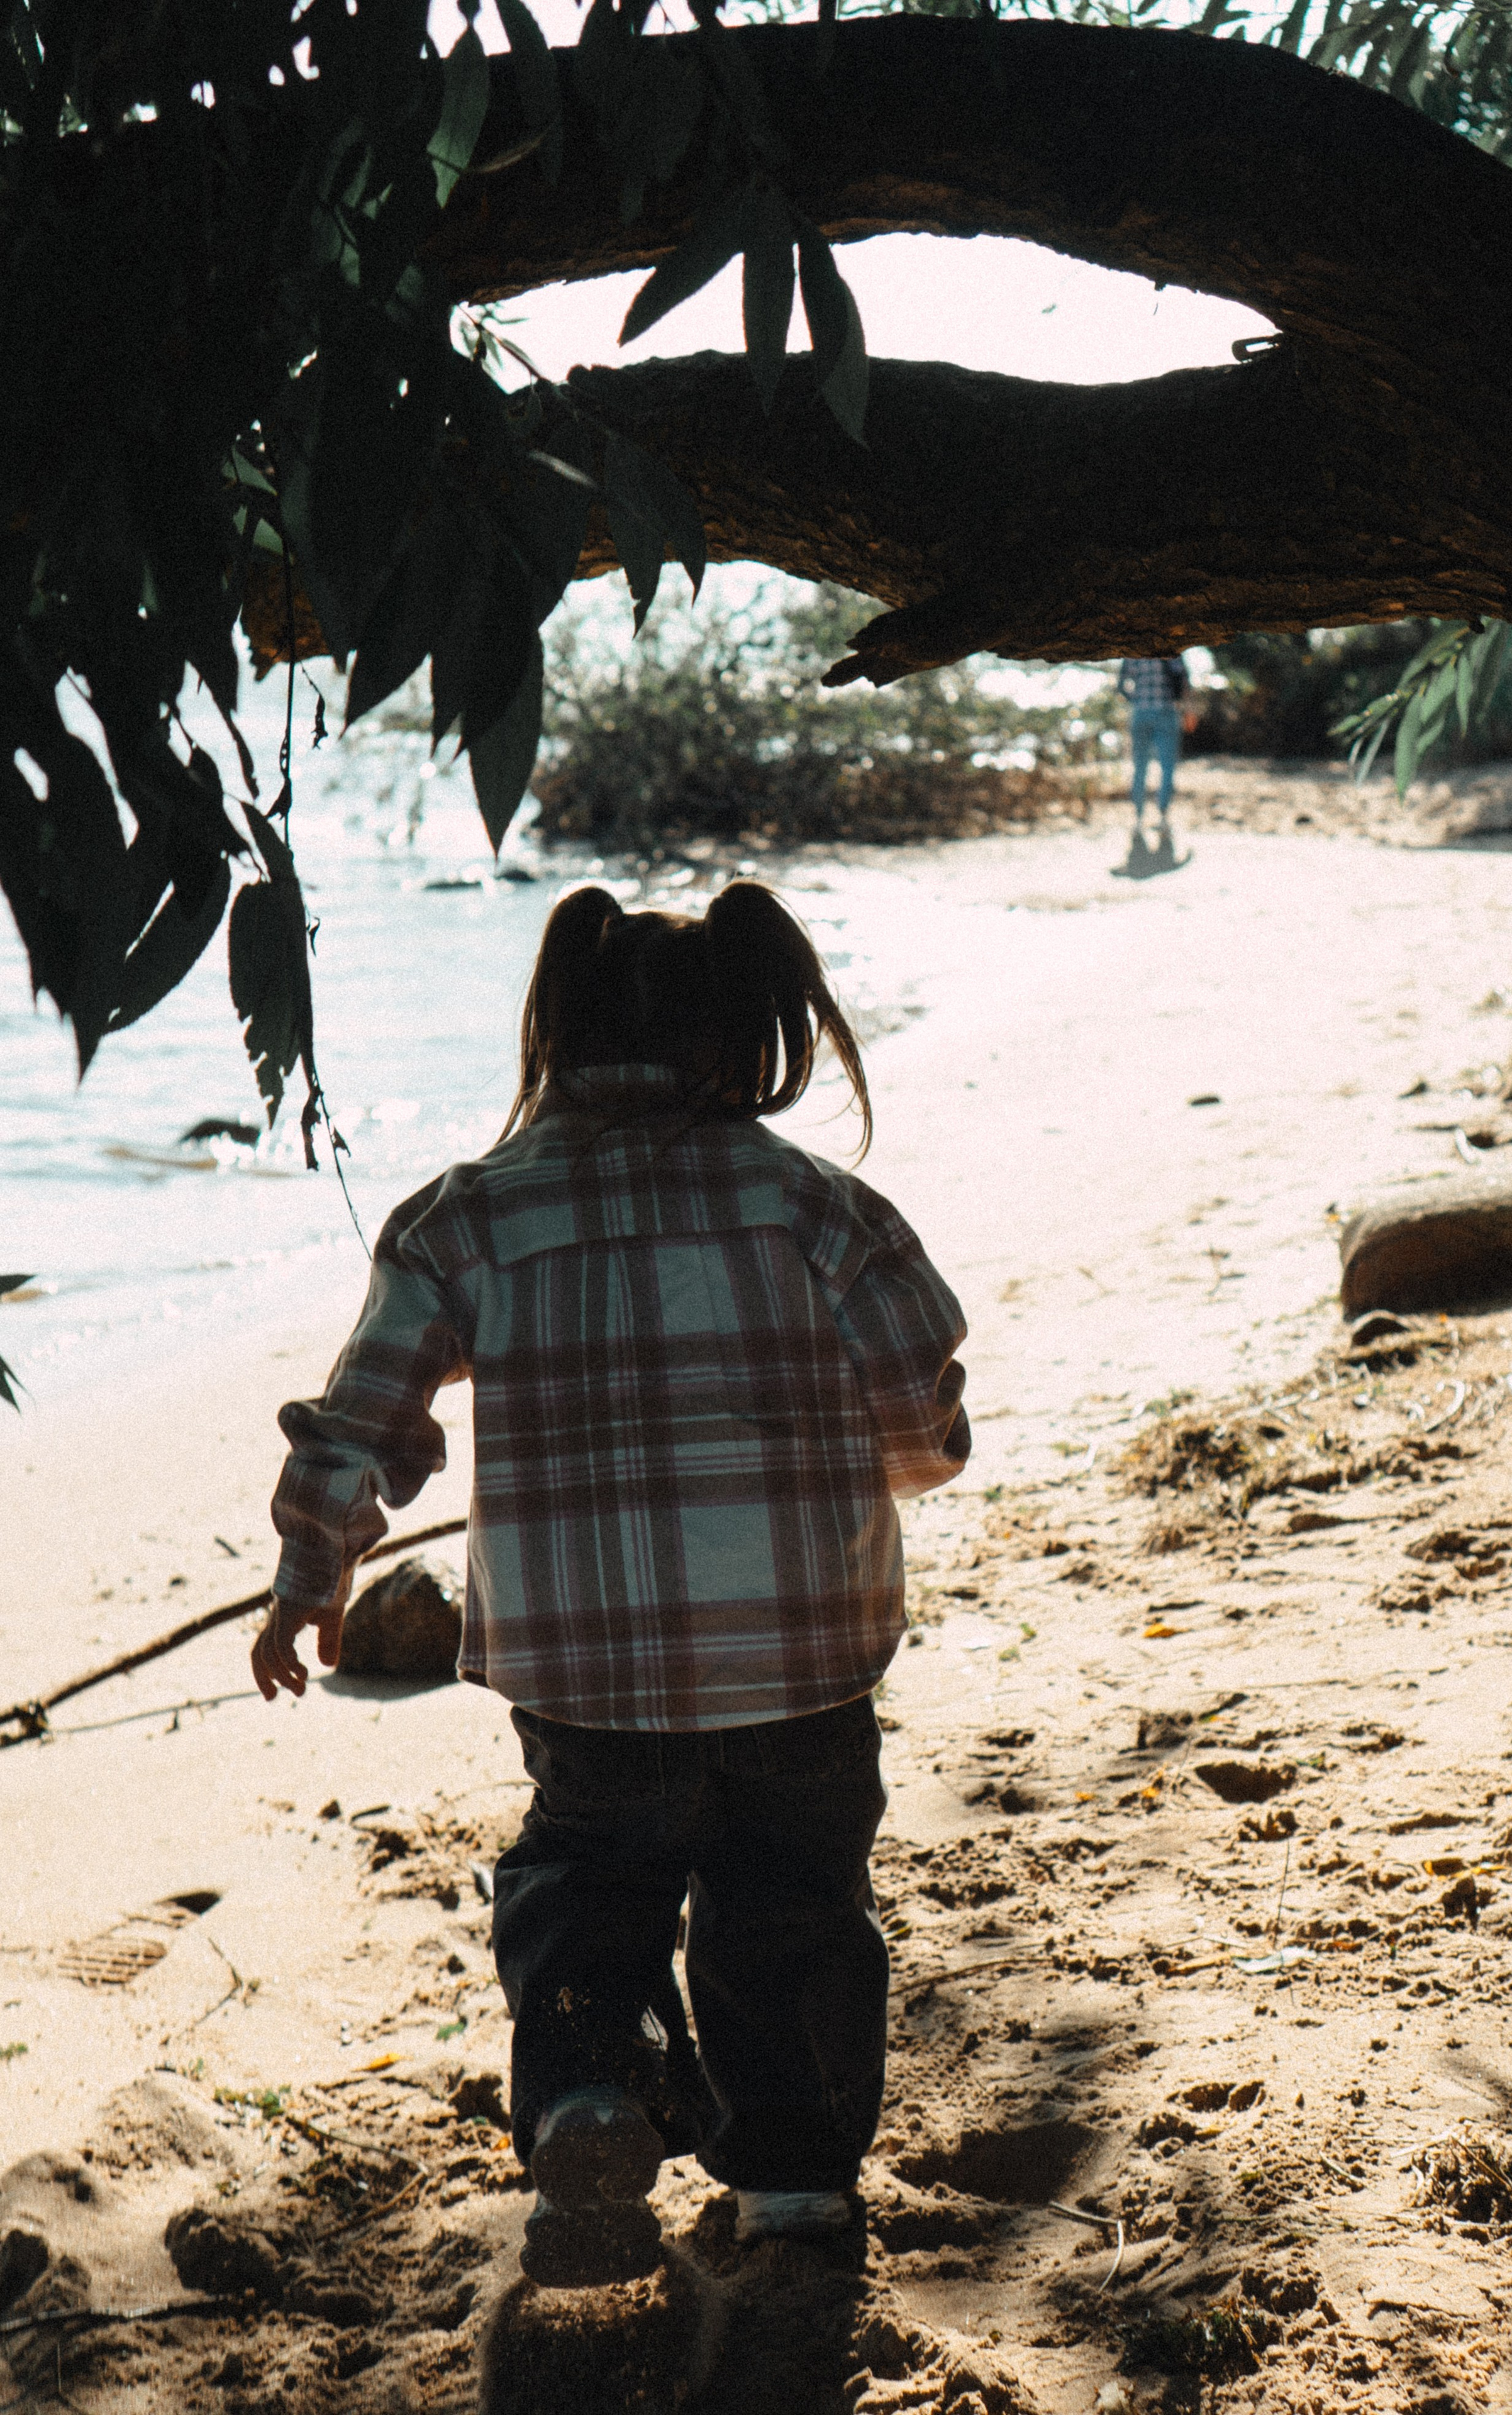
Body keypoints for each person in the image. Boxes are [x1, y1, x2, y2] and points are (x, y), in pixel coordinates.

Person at [250, 882, 970, 2288]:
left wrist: (309, 1569)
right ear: (744, 1033)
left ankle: (588, 2091)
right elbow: (918, 1410)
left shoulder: (467, 1220)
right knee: (793, 1907)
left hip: (585, 1676)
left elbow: (364, 1417)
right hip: (804, 1659)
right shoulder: (819, 1207)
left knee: (589, 1883)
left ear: (559, 1034)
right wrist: (892, 1458)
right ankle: (797, 2188)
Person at [1117, 654, 1191, 853]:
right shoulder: (1172, 651)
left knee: (1139, 768)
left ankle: (1138, 819)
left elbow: (1122, 686)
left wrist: (1138, 699)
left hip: (1140, 713)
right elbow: (1183, 683)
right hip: (1166, 712)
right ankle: (1164, 818)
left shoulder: (1132, 654)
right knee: (1167, 767)